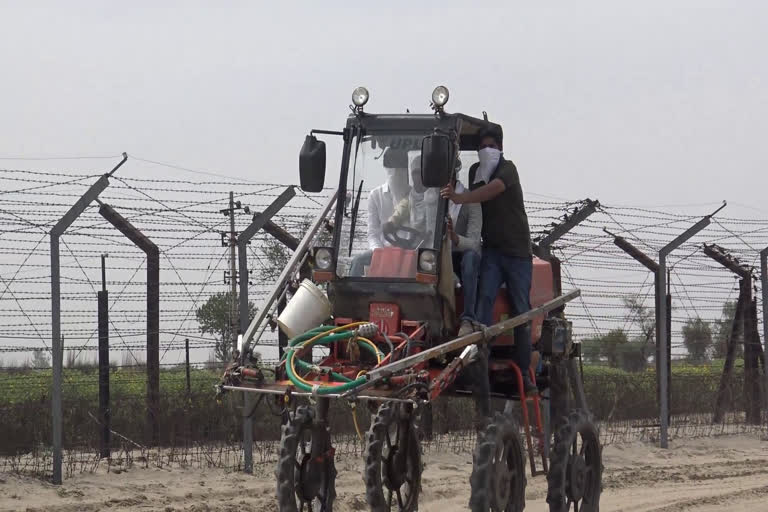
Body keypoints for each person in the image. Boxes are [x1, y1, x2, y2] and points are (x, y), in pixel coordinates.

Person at [440, 129, 535, 392]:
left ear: (500, 147)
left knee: (521, 312)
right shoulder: (474, 173)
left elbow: (491, 191)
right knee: (484, 306)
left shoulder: (508, 170)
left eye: (491, 146)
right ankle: (479, 364)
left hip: (517, 253)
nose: (486, 150)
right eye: (482, 146)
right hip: (492, 250)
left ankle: (524, 373)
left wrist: (461, 198)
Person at [348, 149, 411, 276]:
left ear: (406, 169)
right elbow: (373, 234)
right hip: (383, 251)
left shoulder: (415, 196)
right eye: (393, 168)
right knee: (358, 261)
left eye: (401, 168)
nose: (397, 172)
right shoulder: (376, 195)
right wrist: (380, 254)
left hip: (411, 252)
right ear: (387, 169)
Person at [446, 177, 482, 337]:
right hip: (438, 256)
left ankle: (467, 318)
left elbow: (474, 243)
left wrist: (454, 237)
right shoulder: (431, 198)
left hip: (460, 257)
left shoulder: (470, 200)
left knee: (470, 258)